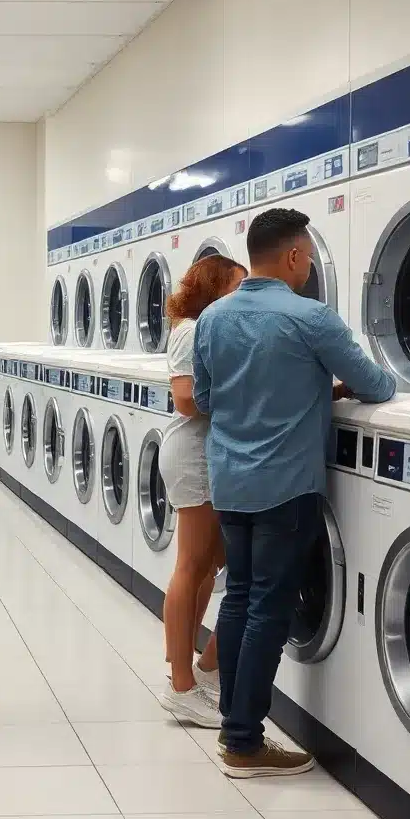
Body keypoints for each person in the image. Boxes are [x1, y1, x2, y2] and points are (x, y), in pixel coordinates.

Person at [195, 207, 396, 777]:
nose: (307, 265)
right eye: (306, 255)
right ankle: (244, 740)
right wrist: (315, 390)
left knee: (238, 599)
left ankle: (232, 723)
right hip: (284, 486)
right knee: (268, 609)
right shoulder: (312, 318)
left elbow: (205, 400)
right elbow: (378, 383)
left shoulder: (213, 320)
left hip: (230, 481)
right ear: (293, 257)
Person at [157, 255, 247, 729]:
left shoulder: (209, 327)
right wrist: (244, 394)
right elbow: (186, 398)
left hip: (209, 453)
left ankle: (197, 671)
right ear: (215, 289)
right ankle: (181, 685)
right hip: (193, 454)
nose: (242, 295)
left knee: (212, 568)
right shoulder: (192, 328)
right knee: (191, 567)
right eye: (236, 287)